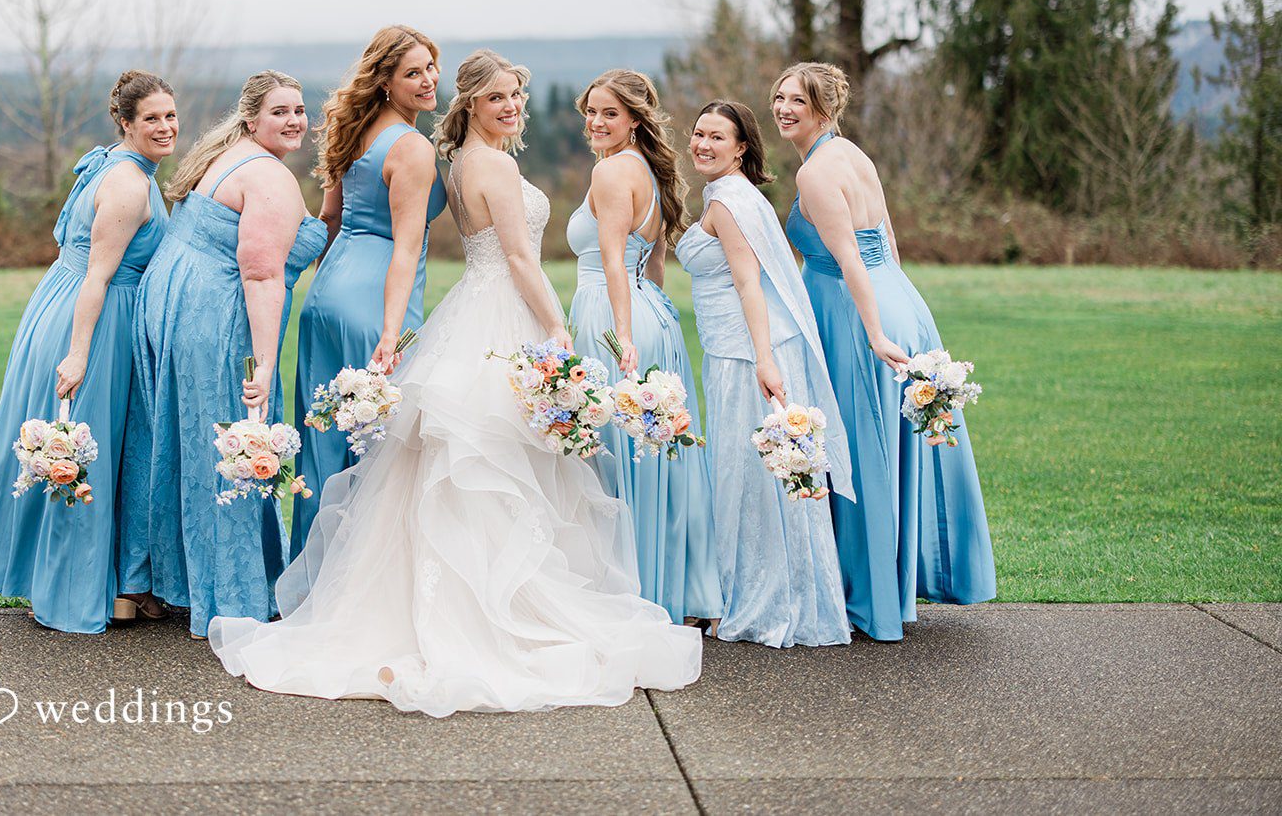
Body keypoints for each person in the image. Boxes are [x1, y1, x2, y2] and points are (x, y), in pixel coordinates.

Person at [210, 50, 701, 716]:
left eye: (517, 97)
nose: (512, 107)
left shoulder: (463, 159)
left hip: (475, 305)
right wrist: (556, 326)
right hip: (501, 312)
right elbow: (522, 258)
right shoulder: (492, 163)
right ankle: (487, 612)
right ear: (471, 103)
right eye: (498, 97)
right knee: (487, 459)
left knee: (484, 460)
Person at [0, 70, 177, 633]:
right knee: (81, 453)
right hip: (93, 323)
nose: (165, 126)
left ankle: (98, 584)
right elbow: (98, 278)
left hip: (65, 303)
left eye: (171, 116)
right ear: (125, 123)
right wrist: (79, 356)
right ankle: (69, 594)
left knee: (80, 450)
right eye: (151, 118)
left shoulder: (115, 164)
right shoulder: (127, 184)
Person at [776, 61, 996, 641]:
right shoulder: (854, 155)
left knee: (861, 451)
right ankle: (890, 591)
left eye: (796, 100)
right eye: (778, 98)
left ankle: (869, 599)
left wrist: (873, 333)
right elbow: (887, 240)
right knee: (884, 446)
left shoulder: (815, 173)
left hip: (855, 311)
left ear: (823, 106)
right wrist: (900, 306)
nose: (782, 108)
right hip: (897, 296)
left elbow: (849, 259)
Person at [116, 71, 327, 639]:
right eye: (280, 111)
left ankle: (165, 579)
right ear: (253, 118)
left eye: (300, 110)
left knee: (182, 440)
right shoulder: (270, 178)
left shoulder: (231, 155)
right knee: (233, 439)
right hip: (214, 317)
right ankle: (231, 596)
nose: (293, 121)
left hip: (173, 302)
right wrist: (262, 365)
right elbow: (261, 275)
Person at [676, 99, 853, 647]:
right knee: (746, 474)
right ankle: (756, 587)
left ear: (742, 148)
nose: (703, 144)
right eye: (699, 134)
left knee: (746, 473)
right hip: (739, 346)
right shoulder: (727, 195)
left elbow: (750, 283)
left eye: (717, 138)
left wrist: (765, 359)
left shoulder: (729, 202)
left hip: (745, 352)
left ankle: (760, 598)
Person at [565, 69, 722, 627]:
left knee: (615, 449)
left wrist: (623, 337)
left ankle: (630, 590)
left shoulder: (610, 172)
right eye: (591, 111)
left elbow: (611, 261)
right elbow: (652, 262)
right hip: (651, 309)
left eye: (610, 112)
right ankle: (670, 587)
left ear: (634, 118)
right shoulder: (651, 172)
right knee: (655, 451)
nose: (597, 122)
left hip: (613, 314)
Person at [289, 25, 447, 559]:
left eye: (430, 67)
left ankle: (309, 578)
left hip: (328, 295)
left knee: (324, 445)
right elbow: (405, 249)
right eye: (412, 73)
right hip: (376, 301)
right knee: (377, 454)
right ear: (385, 81)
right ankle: (358, 585)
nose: (427, 80)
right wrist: (391, 331)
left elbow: (329, 218)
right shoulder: (411, 148)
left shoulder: (354, 130)